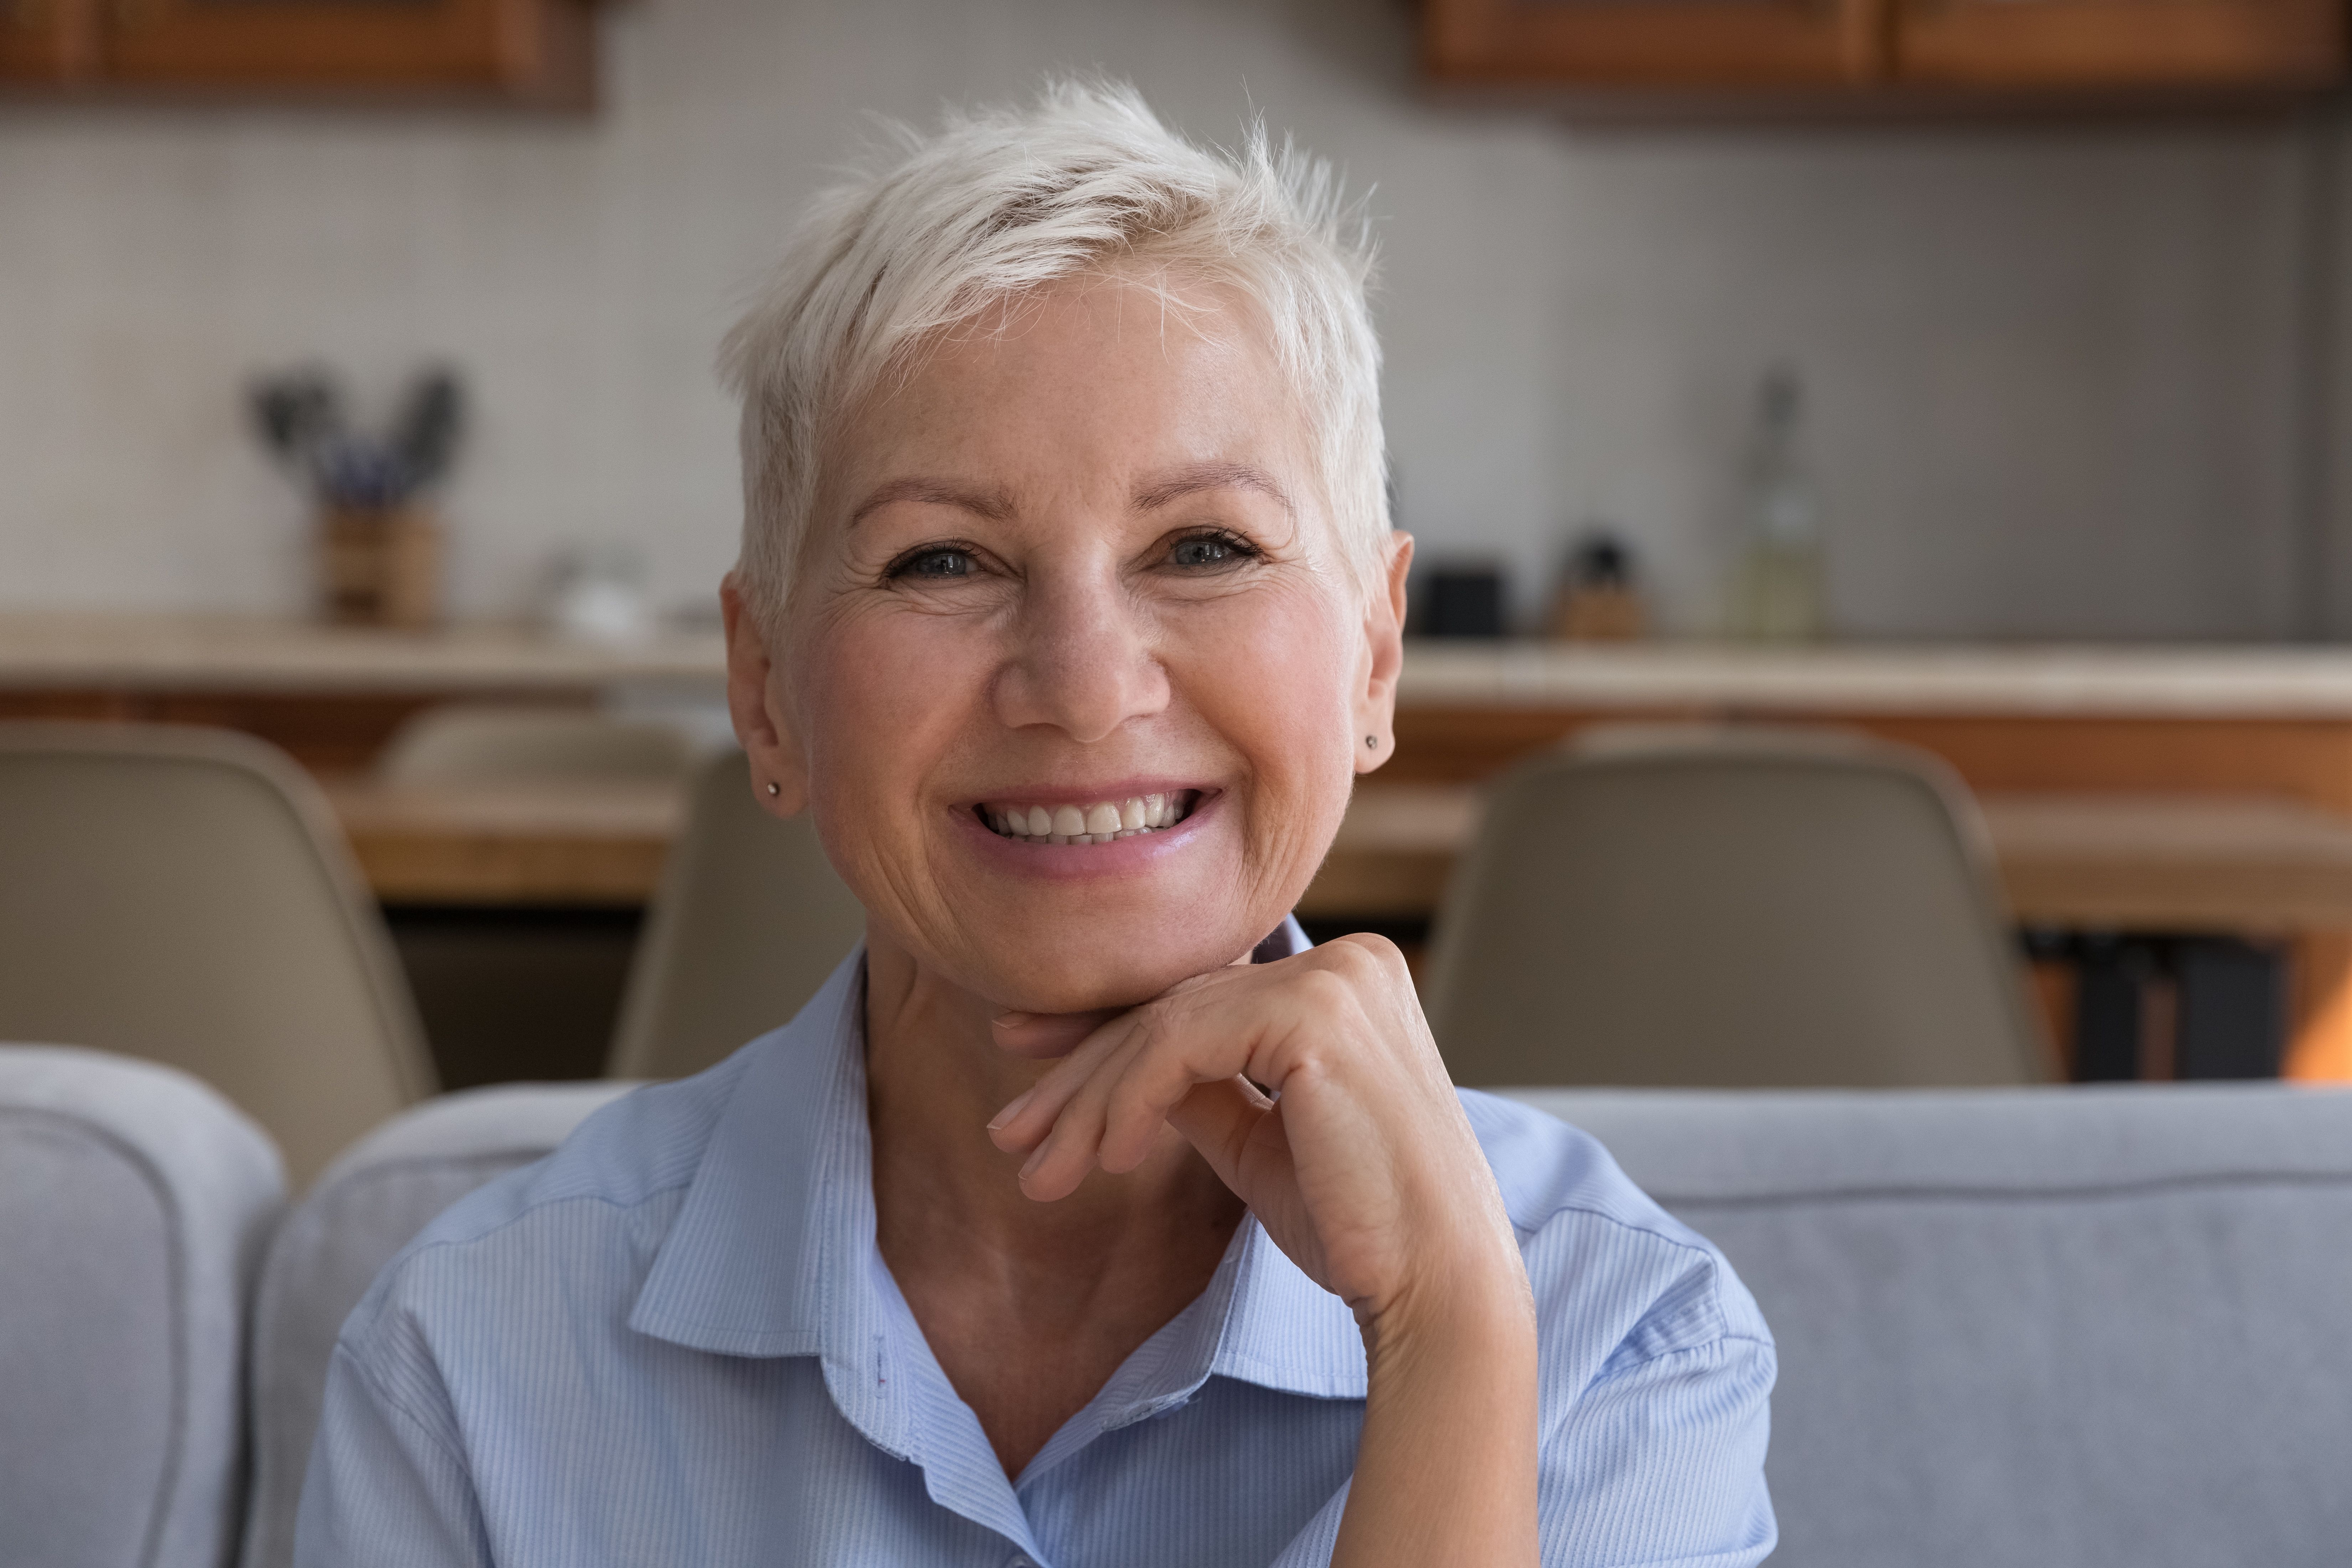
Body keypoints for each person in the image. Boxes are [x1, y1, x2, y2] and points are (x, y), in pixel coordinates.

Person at [295, 81, 1774, 1568]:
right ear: (765, 692)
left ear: (1376, 653)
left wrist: (1445, 1332)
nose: (1082, 685)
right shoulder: (468, 1361)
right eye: (941, 558)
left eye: (1204, 545)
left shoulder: (1618, 1342)